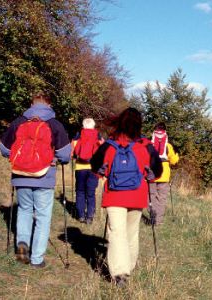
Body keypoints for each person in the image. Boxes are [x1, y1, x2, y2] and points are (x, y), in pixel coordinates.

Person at [90, 108, 162, 285]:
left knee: (117, 232)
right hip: (137, 195)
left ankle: (120, 273)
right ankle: (127, 268)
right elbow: (157, 171)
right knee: (131, 232)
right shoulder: (145, 146)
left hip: (114, 196)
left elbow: (95, 166)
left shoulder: (110, 145)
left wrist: (102, 173)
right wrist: (149, 176)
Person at [0, 92, 71, 268]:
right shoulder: (54, 124)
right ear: (49, 104)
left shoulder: (19, 122)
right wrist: (53, 158)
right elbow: (65, 155)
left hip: (20, 176)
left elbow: (3, 148)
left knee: (24, 211)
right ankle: (37, 259)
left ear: (31, 104)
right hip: (44, 176)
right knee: (43, 216)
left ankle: (22, 252)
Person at [71, 118, 104, 224]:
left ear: (83, 125)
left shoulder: (78, 134)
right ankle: (90, 216)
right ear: (93, 125)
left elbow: (73, 152)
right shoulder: (98, 135)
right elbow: (102, 150)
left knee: (80, 191)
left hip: (80, 167)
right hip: (93, 168)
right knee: (91, 192)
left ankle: (81, 215)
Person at [149, 122, 179, 225]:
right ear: (165, 131)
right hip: (164, 175)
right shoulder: (168, 146)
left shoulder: (149, 144)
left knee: (152, 197)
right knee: (162, 199)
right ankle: (158, 221)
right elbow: (174, 161)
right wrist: (177, 154)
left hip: (152, 174)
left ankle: (153, 219)